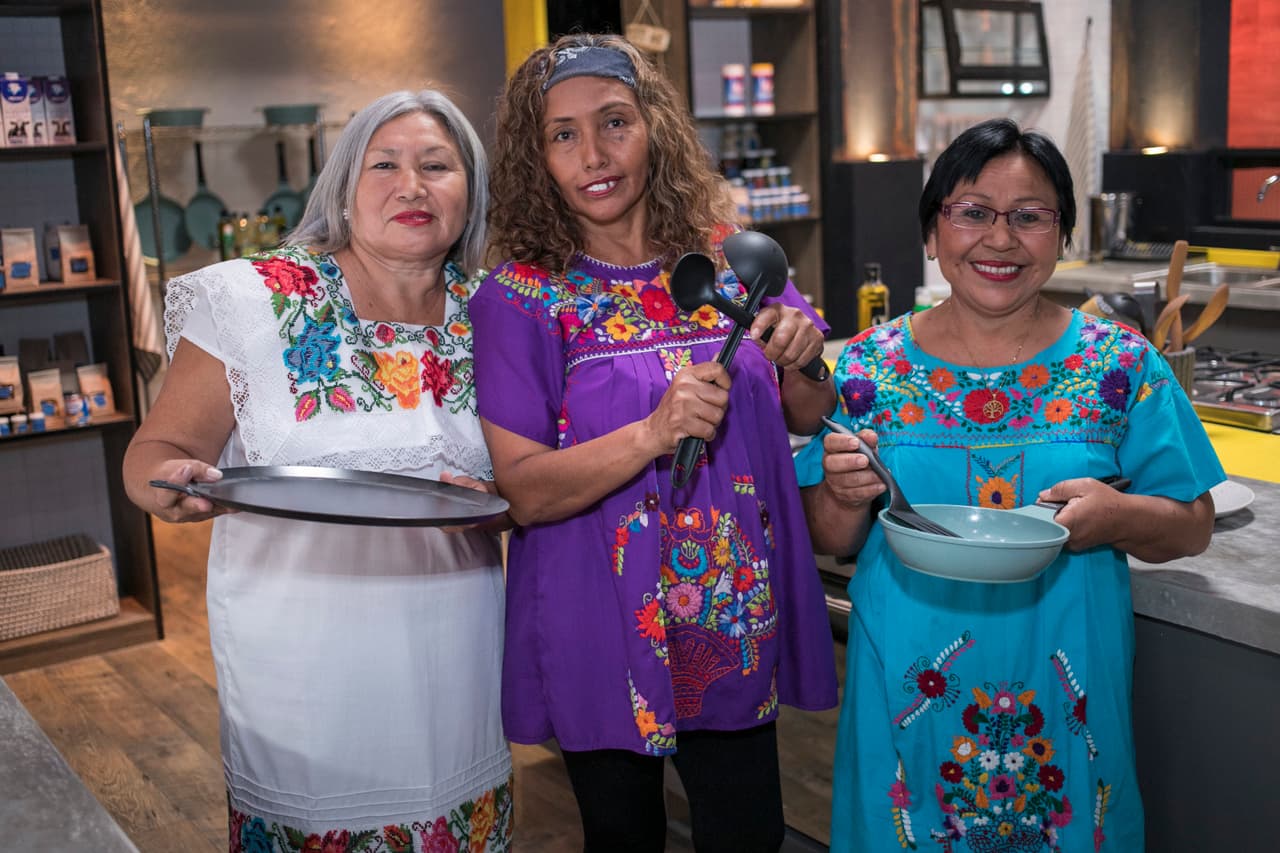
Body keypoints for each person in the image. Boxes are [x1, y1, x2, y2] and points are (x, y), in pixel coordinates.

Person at [797, 117, 1225, 853]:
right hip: (907, 682)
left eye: (1029, 216)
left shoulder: (1121, 365)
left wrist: (1117, 515)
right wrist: (839, 494)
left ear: (1061, 236)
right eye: (972, 212)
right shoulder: (867, 368)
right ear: (932, 232)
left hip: (1067, 689)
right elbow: (830, 536)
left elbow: (1193, 522)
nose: (1000, 239)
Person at [471, 33, 838, 853]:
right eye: (562, 134)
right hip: (601, 615)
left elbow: (807, 413)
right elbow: (524, 489)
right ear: (537, 158)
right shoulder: (521, 299)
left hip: (731, 608)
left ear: (655, 131)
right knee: (624, 838)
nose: (593, 156)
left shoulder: (729, 260)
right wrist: (651, 432)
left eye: (615, 122)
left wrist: (806, 357)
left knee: (748, 836)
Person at [122, 90, 513, 852]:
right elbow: (152, 450)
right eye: (384, 165)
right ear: (343, 186)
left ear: (471, 190)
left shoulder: (496, 314)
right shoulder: (256, 301)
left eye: (437, 166)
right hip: (303, 673)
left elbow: (526, 476)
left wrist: (498, 500)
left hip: (457, 661)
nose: (412, 186)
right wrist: (173, 482)